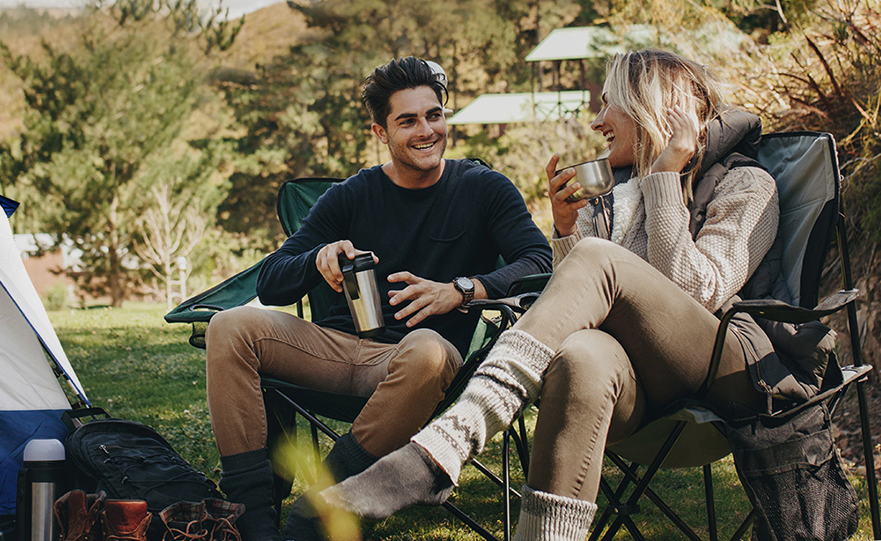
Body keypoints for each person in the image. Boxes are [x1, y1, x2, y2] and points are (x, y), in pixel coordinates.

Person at [295, 49, 808, 541]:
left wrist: (665, 179)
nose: (596, 120)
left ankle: (449, 442)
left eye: (610, 104)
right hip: (642, 382)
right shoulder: (617, 194)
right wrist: (566, 231)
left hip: (732, 372)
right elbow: (585, 309)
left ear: (653, 111)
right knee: (582, 354)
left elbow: (697, 291)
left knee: (595, 261)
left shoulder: (746, 184)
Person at [205, 56, 553, 541]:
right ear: (380, 132)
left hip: (420, 364)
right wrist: (317, 258)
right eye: (407, 120)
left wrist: (461, 290)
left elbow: (538, 261)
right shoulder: (351, 196)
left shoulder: (482, 188)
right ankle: (249, 520)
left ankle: (321, 506)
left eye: (434, 115)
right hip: (338, 351)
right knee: (229, 327)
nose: (425, 130)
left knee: (428, 350)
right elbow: (271, 282)